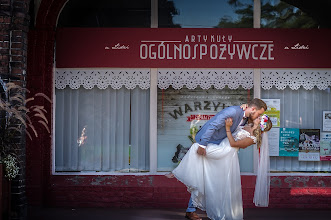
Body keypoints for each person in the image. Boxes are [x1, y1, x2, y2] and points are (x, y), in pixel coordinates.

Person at [167, 98, 268, 220]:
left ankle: (180, 173)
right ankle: (190, 207)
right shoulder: (233, 112)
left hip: (224, 153)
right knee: (200, 166)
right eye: (259, 114)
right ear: (253, 109)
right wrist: (203, 145)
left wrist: (229, 126)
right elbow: (213, 126)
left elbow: (237, 138)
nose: (259, 116)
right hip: (213, 144)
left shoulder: (247, 121)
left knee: (210, 180)